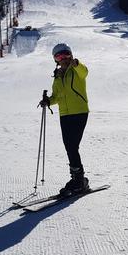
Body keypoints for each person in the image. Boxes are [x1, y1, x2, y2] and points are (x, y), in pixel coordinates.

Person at [40, 43, 90, 194]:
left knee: (72, 146)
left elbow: (85, 71)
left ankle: (79, 181)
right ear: (55, 59)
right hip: (65, 114)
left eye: (66, 55)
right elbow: (57, 96)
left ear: (71, 55)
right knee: (69, 147)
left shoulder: (76, 70)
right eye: (59, 56)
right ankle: (78, 179)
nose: (63, 58)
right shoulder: (57, 76)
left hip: (79, 112)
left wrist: (77, 63)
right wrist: (48, 100)